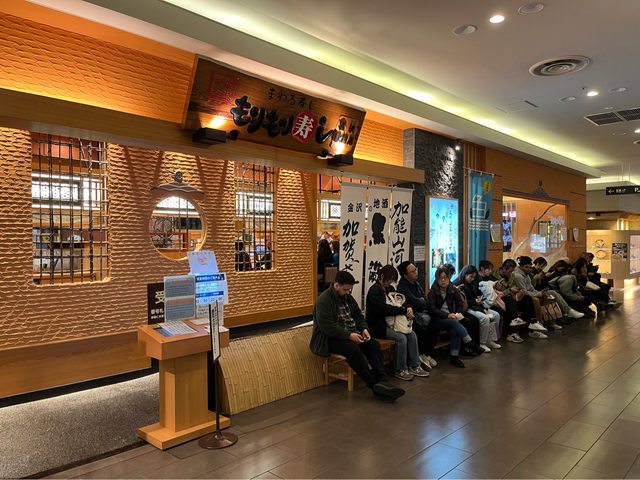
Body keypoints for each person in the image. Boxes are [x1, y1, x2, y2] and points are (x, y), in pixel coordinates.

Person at [310, 270, 405, 401]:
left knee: (373, 344)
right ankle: (374, 385)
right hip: (330, 338)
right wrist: (349, 335)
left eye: (349, 289)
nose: (348, 292)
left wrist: (364, 329)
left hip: (351, 333)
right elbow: (327, 327)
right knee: (353, 350)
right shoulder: (323, 301)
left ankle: (383, 381)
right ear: (336, 285)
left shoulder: (347, 297)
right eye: (345, 289)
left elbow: (358, 315)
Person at [365, 265, 430, 381]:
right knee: (401, 338)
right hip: (378, 326)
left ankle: (415, 365)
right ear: (381, 276)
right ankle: (400, 369)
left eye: (392, 280)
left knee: (412, 335)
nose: (390, 282)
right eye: (389, 279)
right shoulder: (374, 290)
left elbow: (401, 300)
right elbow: (384, 309)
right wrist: (403, 310)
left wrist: (408, 307)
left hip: (392, 324)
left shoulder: (390, 288)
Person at [427, 267, 483, 368]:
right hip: (437, 320)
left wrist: (456, 313)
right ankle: (470, 343)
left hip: (452, 318)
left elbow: (460, 304)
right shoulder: (432, 292)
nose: (443, 280)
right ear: (436, 279)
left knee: (455, 329)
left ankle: (454, 357)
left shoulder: (453, 289)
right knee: (454, 323)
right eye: (440, 278)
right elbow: (433, 309)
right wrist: (447, 315)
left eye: (445, 277)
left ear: (449, 278)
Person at [515, 255, 584, 326]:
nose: (529, 269)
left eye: (530, 267)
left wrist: (541, 292)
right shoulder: (519, 276)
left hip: (534, 293)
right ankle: (540, 323)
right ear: (521, 267)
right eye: (526, 267)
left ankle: (563, 314)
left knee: (551, 293)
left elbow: (531, 288)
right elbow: (524, 292)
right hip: (525, 298)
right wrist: (540, 292)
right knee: (543, 298)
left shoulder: (526, 274)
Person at [493, 259, 549, 340]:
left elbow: (513, 288)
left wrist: (517, 292)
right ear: (504, 268)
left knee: (527, 299)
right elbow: (498, 293)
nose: (511, 273)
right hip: (501, 300)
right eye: (510, 271)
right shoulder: (494, 276)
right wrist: (510, 290)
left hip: (511, 297)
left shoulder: (512, 275)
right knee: (510, 303)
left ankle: (533, 324)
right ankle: (512, 332)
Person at [455, 264, 501, 351]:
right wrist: (475, 301)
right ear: (465, 274)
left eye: (474, 277)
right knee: (485, 318)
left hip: (476, 306)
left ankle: (491, 340)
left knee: (496, 315)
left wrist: (479, 299)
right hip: (467, 308)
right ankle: (482, 343)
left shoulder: (472, 283)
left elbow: (476, 295)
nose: (472, 279)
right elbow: (461, 302)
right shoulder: (458, 285)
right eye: (471, 276)